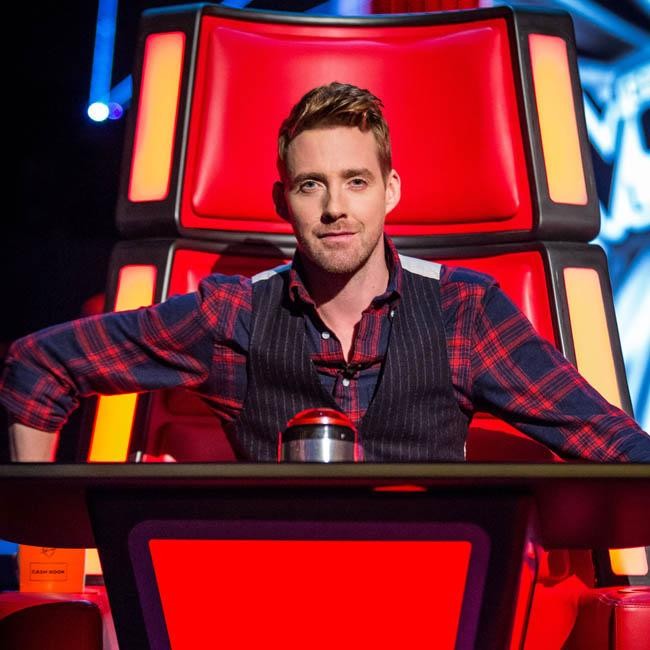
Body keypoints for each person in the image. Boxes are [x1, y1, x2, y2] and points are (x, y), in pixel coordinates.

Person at [1, 82, 649, 462]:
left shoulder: (465, 309)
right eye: (311, 184)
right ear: (283, 200)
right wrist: (44, 558)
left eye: (356, 181)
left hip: (433, 607)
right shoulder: (231, 315)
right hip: (273, 611)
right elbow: (40, 366)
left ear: (390, 191)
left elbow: (611, 443)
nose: (335, 207)